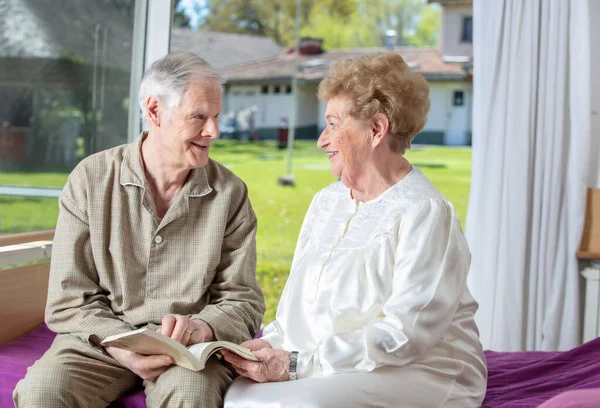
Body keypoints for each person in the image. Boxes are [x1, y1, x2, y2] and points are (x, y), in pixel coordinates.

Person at [222, 53, 487, 407]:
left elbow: (407, 334)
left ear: (377, 129)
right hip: (326, 363)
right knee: (241, 398)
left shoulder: (425, 212)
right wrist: (274, 344)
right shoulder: (326, 202)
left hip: (419, 367)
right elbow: (297, 304)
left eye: (333, 124)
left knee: (293, 406)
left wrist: (300, 364)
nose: (321, 140)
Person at [13, 52, 265, 408]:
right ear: (154, 111)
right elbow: (70, 299)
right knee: (42, 393)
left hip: (187, 352)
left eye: (216, 117)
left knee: (192, 395)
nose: (214, 132)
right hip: (98, 343)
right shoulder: (90, 180)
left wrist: (202, 328)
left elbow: (243, 298)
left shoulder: (230, 193)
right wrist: (121, 343)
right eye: (199, 117)